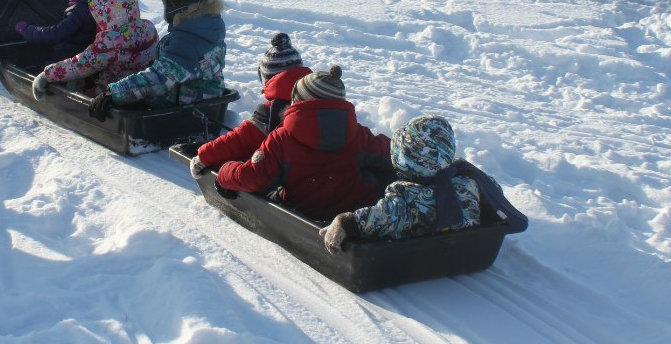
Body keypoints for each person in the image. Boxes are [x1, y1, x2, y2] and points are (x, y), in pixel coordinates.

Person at [321, 115, 529, 252]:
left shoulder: (410, 195)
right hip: (473, 250)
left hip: (418, 260)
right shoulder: (470, 179)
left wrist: (347, 222)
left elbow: (386, 216)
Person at [213, 65, 384, 223]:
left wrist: (225, 172)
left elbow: (253, 177)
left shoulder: (283, 138)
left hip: (307, 212)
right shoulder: (358, 133)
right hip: (355, 209)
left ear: (298, 101)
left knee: (271, 188)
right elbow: (390, 153)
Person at [87, 0, 225, 120]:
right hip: (199, 102)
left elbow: (160, 78)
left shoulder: (186, 40)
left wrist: (112, 93)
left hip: (185, 116)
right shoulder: (206, 29)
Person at [189, 32, 310, 179]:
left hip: (292, 181)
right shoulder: (320, 98)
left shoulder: (272, 111)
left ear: (267, 79)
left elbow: (238, 141)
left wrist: (203, 156)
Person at [31, 0, 158, 99]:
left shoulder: (111, 40)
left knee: (80, 93)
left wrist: (47, 74)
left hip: (111, 94)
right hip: (143, 87)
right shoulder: (148, 28)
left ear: (104, 12)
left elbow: (79, 65)